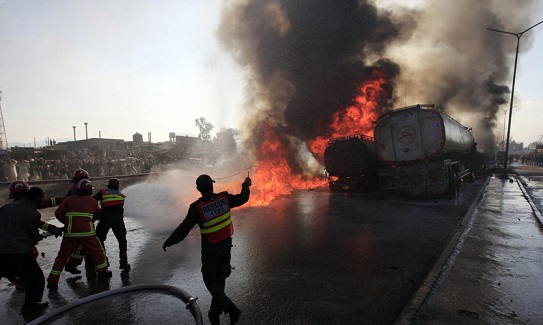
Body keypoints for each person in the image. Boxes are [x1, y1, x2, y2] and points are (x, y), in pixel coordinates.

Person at [163, 174, 251, 325]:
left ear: (198, 189)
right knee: (220, 278)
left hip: (211, 249)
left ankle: (231, 309)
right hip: (226, 245)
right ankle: (214, 313)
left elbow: (183, 230)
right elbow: (243, 198)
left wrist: (169, 242)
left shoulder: (197, 208)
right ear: (212, 186)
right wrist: (246, 185)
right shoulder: (224, 199)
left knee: (211, 281)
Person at [47, 179, 112, 291]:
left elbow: (58, 214)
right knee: (97, 250)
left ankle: (52, 281)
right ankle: (102, 271)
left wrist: (68, 223)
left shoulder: (68, 200)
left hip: (70, 233)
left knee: (62, 256)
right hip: (87, 233)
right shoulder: (92, 201)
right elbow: (97, 214)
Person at [6, 181, 64, 291]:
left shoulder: (11, 207)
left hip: (8, 243)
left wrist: (64, 199)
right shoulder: (25, 208)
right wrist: (53, 228)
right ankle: (24, 284)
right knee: (30, 263)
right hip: (21, 243)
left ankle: (19, 281)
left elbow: (46, 203)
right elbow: (38, 222)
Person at [0, 187, 49, 314]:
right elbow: (33, 236)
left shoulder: (6, 208)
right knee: (36, 278)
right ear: (37, 197)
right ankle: (30, 305)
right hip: (17, 251)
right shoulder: (32, 213)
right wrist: (42, 236)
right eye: (42, 197)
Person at [93, 178, 130, 272]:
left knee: (99, 239)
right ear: (117, 187)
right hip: (118, 220)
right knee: (122, 241)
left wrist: (97, 213)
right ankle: (124, 263)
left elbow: (92, 202)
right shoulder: (121, 195)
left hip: (105, 218)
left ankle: (104, 262)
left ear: (108, 186)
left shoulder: (102, 192)